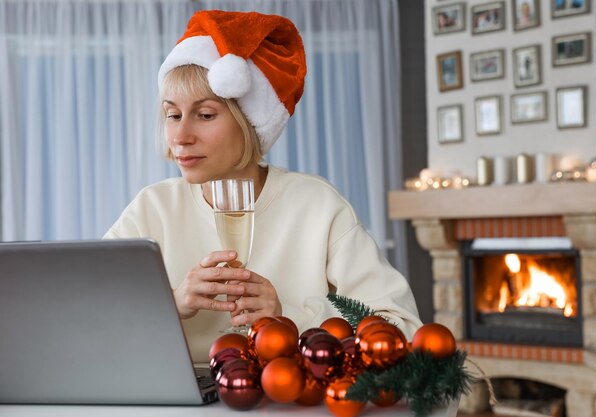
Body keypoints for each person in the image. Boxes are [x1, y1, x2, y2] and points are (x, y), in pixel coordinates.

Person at [104, 10, 421, 363]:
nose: (181, 136)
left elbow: (400, 328)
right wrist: (172, 302)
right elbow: (88, 316)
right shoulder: (152, 207)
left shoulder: (316, 205)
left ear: (251, 123)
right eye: (172, 114)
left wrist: (290, 321)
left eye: (205, 115)